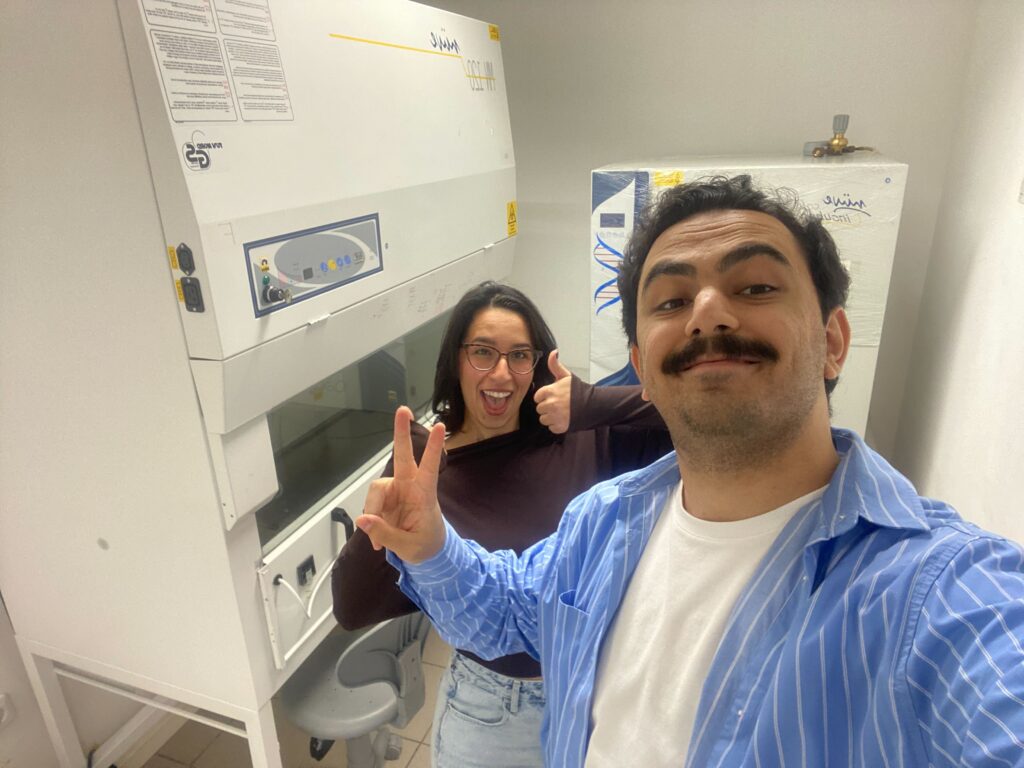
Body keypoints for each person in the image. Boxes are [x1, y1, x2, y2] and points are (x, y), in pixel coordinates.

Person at [354, 175, 1024, 767]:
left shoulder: (939, 593)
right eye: (672, 301)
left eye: (755, 286)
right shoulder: (602, 522)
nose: (706, 312)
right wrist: (431, 548)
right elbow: (504, 611)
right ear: (643, 367)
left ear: (833, 341)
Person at [332, 281, 671, 767]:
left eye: (519, 356)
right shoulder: (430, 470)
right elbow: (351, 608)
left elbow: (700, 412)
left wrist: (596, 403)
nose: (501, 373)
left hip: (595, 689)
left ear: (536, 365)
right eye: (483, 352)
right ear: (456, 360)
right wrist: (378, 528)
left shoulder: (582, 437)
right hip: (493, 712)